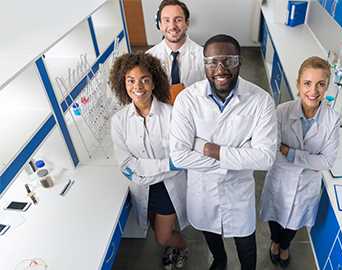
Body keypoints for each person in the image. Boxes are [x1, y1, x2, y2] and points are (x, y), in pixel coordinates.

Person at [170, 34, 277, 270]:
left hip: (238, 193)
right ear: (204, 63)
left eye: (228, 60)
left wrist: (205, 147)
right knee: (209, 231)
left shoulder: (261, 101)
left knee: (246, 240)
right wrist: (239, 155)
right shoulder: (187, 100)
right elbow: (178, 155)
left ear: (239, 62)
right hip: (203, 190)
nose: (220, 69)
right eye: (212, 61)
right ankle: (220, 261)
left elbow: (266, 157)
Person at [260, 56, 341, 268]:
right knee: (275, 217)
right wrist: (306, 159)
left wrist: (290, 152)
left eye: (320, 84)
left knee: (294, 224)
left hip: (306, 186)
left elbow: (327, 161)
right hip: (280, 178)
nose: (313, 91)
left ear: (327, 87)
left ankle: (284, 247)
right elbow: (272, 150)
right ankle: (275, 243)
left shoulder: (332, 120)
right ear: (298, 84)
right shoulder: (281, 112)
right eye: (307, 83)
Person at [109, 52, 189, 270]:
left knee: (162, 237)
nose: (138, 86)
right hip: (143, 188)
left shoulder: (173, 115)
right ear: (122, 84)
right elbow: (126, 165)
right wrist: (166, 165)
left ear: (154, 82)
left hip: (168, 188)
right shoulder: (118, 121)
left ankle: (181, 246)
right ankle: (173, 241)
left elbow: (181, 159)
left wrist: (143, 169)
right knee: (156, 227)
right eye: (131, 81)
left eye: (145, 79)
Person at [147, 0, 204, 103]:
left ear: (187, 23)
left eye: (178, 20)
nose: (172, 26)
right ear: (159, 24)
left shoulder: (203, 56)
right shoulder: (149, 57)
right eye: (166, 20)